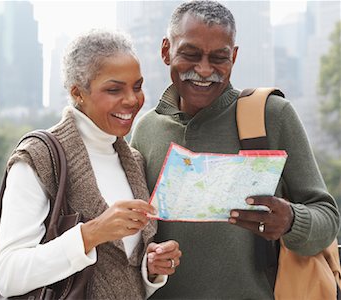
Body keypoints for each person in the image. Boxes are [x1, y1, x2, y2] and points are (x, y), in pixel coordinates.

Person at [130, 1, 340, 299]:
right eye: (190, 54)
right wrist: (148, 262)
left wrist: (291, 220)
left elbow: (328, 219)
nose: (204, 70)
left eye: (219, 57)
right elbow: (132, 235)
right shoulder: (146, 129)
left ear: (235, 56)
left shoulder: (273, 115)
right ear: (166, 51)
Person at [0, 29, 181, 299]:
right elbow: (7, 275)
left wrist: (150, 270)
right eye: (114, 89)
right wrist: (91, 234)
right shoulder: (38, 157)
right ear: (78, 93)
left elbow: (118, 272)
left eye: (137, 86)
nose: (132, 100)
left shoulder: (134, 161)